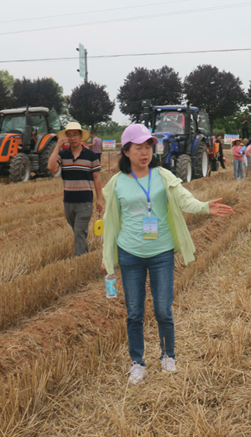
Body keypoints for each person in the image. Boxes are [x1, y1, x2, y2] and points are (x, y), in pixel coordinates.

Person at [101, 124, 233, 385]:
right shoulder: (116, 183)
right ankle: (137, 363)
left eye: (149, 147)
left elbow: (185, 200)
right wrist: (107, 255)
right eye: (139, 148)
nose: (145, 152)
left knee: (163, 309)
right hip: (130, 254)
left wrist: (205, 207)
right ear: (126, 151)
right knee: (134, 312)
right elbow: (111, 220)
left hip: (161, 252)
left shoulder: (163, 175)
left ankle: (167, 356)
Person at [48, 121, 104, 257]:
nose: (72, 138)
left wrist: (99, 199)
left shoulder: (91, 156)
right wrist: (57, 147)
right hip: (68, 201)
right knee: (78, 232)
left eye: (75, 135)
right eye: (69, 135)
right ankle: (85, 256)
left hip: (85, 201)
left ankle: (78, 261)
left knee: (79, 231)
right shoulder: (63, 155)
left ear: (80, 136)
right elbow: (51, 166)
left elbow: (97, 178)